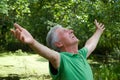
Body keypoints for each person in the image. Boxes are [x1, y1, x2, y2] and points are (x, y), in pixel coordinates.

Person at [11, 19, 105, 80]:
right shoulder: (62, 59)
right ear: (59, 43)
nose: (71, 31)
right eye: (65, 31)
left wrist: (98, 31)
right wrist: (32, 42)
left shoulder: (81, 55)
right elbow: (51, 55)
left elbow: (90, 44)